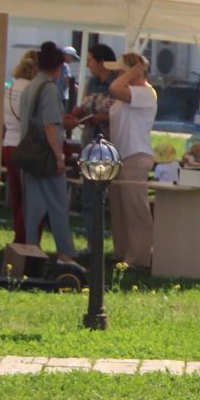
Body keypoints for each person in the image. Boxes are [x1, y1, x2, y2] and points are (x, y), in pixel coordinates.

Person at [17, 42, 80, 268]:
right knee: (58, 205)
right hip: (46, 155)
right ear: (59, 67)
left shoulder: (31, 86)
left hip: (29, 154)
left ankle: (31, 253)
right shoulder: (51, 89)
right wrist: (59, 156)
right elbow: (50, 127)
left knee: (33, 208)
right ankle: (65, 254)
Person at [104, 51, 158, 271]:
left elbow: (114, 88)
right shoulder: (128, 92)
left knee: (135, 210)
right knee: (119, 209)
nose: (118, 73)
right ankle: (123, 253)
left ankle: (139, 257)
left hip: (136, 155)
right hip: (120, 156)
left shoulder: (145, 93)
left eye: (122, 70)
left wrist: (134, 71)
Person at [72, 44, 117, 254]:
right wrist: (79, 111)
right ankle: (93, 242)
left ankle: (117, 245)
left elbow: (121, 114)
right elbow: (86, 106)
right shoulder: (91, 83)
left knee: (112, 198)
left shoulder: (116, 84)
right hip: (89, 146)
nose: (88, 64)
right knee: (89, 197)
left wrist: (103, 117)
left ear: (101, 62)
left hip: (110, 149)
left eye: (90, 60)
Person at [0, 50, 39, 244]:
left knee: (17, 197)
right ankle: (25, 241)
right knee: (30, 197)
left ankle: (19, 237)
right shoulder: (32, 89)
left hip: (9, 144)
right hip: (24, 146)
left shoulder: (11, 86)